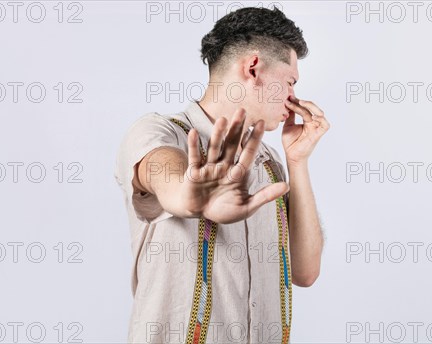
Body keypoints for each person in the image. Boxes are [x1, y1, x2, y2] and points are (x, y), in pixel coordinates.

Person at [114, 6, 329, 344]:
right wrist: (189, 196)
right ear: (254, 68)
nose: (293, 98)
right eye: (290, 82)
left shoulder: (270, 163)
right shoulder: (159, 133)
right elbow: (165, 178)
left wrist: (298, 161)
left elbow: (305, 271)